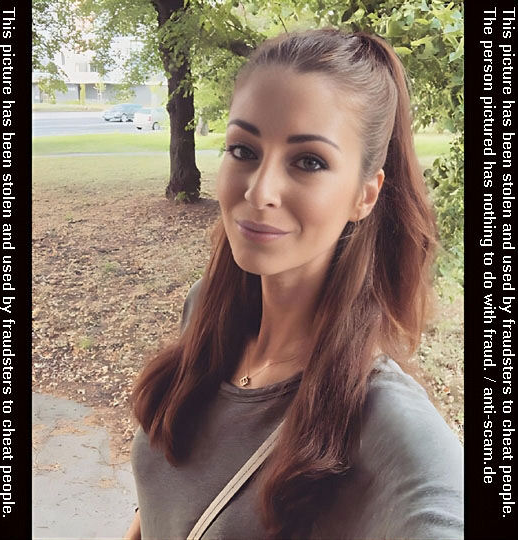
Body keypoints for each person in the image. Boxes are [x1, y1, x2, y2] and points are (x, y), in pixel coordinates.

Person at [125, 28, 463, 540]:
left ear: (365, 195)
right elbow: (164, 501)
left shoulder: (384, 420)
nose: (260, 191)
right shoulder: (207, 310)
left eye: (308, 161)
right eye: (243, 150)